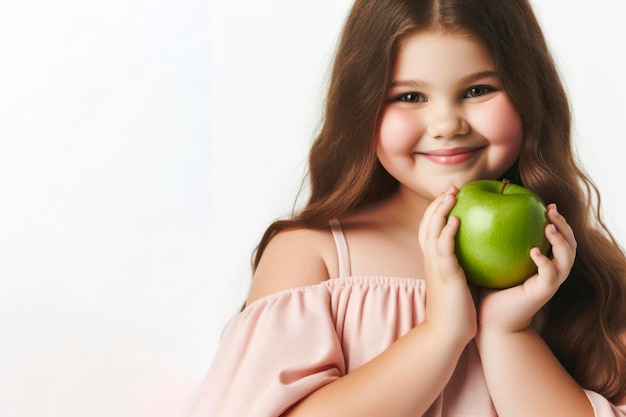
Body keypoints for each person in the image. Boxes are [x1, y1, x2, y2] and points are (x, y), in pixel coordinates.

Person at [190, 0, 626, 415]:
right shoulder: (313, 257)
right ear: (361, 108)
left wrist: (506, 331)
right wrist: (440, 334)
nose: (446, 124)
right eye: (410, 97)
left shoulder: (581, 272)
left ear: (532, 96)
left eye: (478, 89)